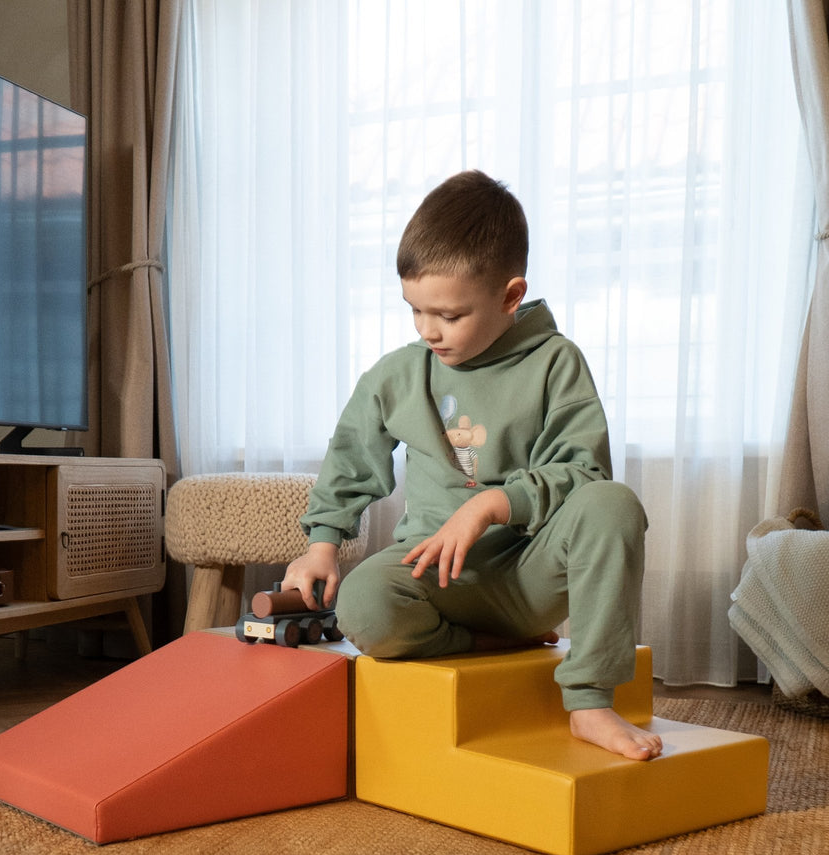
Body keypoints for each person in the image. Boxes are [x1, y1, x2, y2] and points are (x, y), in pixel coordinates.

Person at [282, 170, 662, 761]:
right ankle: (480, 641)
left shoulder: (555, 362)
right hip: (436, 580)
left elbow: (583, 471)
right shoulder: (397, 374)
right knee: (362, 603)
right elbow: (351, 456)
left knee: (613, 504)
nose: (428, 330)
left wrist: (491, 504)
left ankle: (589, 702)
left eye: (450, 315)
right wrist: (322, 544)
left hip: (528, 574)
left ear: (511, 297)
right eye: (415, 310)